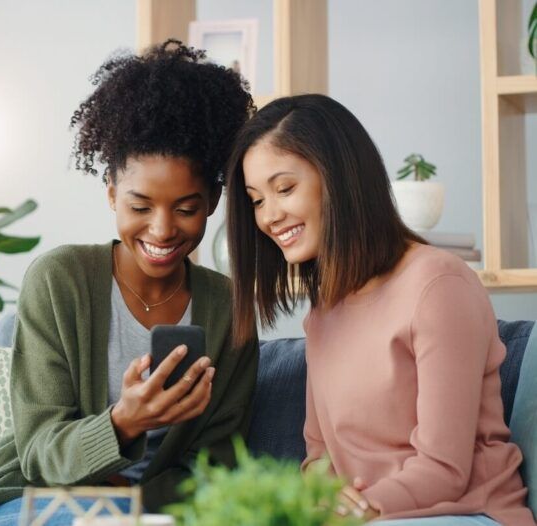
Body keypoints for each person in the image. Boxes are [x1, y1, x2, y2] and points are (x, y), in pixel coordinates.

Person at [0, 40, 259, 526]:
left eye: (186, 209)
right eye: (140, 206)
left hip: (150, 516)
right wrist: (124, 421)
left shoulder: (230, 310)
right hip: (35, 499)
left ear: (212, 200)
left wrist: (130, 504)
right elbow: (40, 452)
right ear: (111, 194)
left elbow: (216, 468)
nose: (162, 229)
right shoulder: (59, 281)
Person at [226, 93, 535, 525]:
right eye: (257, 200)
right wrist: (323, 503)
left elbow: (444, 470)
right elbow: (318, 457)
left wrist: (359, 509)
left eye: (285, 189)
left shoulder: (438, 284)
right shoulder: (324, 311)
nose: (269, 216)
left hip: (469, 513)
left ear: (339, 178)